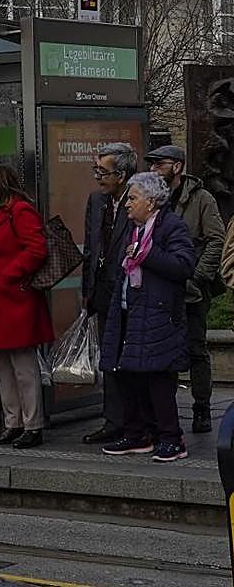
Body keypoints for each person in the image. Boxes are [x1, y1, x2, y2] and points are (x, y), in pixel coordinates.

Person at [99, 172, 197, 462]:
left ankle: (171, 439)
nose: (127, 204)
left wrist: (148, 254)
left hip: (159, 315)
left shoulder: (171, 226)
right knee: (128, 375)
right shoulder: (136, 228)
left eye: (133, 198)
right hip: (131, 312)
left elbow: (184, 265)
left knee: (158, 379)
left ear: (151, 201)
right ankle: (137, 434)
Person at [0, 165, 53, 449]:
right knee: (3, 366)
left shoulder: (20, 211)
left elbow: (36, 249)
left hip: (15, 298)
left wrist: (6, 274)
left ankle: (32, 424)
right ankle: (12, 422)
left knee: (23, 367)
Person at [145, 145, 225, 434]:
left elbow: (216, 239)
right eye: (151, 165)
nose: (153, 169)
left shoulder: (201, 198)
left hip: (192, 286)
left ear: (176, 167)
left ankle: (202, 406)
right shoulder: (155, 198)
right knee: (163, 348)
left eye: (159, 164)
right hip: (163, 287)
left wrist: (199, 277)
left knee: (195, 347)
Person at [81, 142, 139, 444]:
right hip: (102, 291)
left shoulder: (138, 200)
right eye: (96, 170)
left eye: (103, 172)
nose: (98, 177)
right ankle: (113, 420)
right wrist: (87, 291)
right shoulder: (96, 201)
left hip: (130, 292)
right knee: (109, 357)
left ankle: (136, 421)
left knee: (133, 359)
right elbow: (91, 248)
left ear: (123, 174)